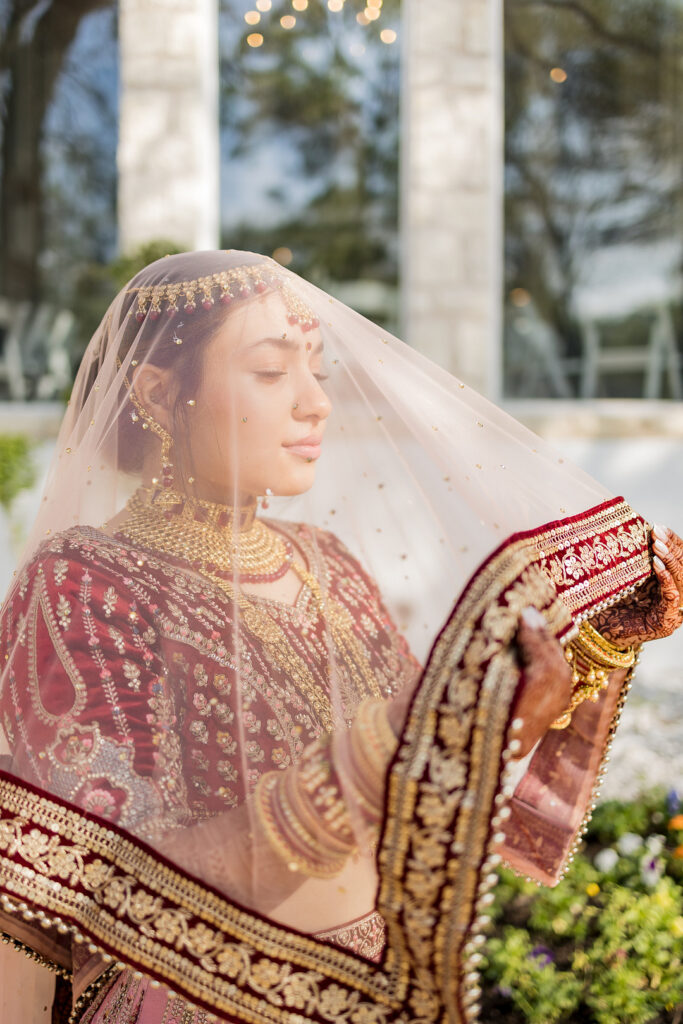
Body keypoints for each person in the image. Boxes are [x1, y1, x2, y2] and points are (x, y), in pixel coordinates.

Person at [0, 250, 681, 1024]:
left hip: (374, 988)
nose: (315, 403)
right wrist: (380, 752)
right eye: (270, 372)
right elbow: (105, 886)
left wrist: (587, 650)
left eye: (316, 370)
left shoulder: (327, 563)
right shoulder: (85, 583)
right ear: (160, 393)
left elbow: (423, 783)